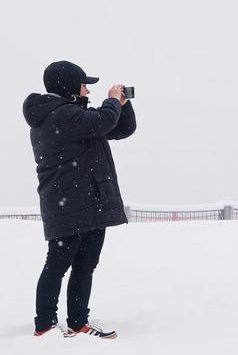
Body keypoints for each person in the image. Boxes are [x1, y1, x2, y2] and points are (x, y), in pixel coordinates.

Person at [23, 61, 137, 338]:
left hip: (88, 202)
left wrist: (123, 104)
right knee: (58, 265)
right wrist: (112, 101)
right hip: (67, 203)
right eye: (84, 85)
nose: (87, 91)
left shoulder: (75, 117)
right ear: (68, 86)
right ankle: (45, 326)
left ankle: (78, 322)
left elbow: (121, 129)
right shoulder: (59, 116)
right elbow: (103, 121)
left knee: (86, 265)